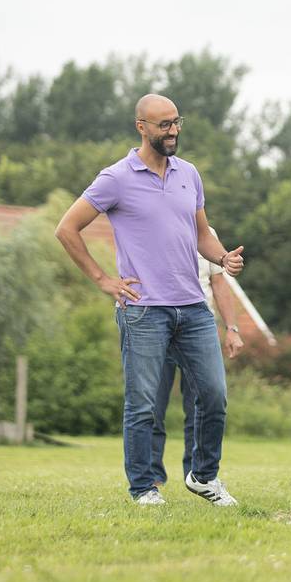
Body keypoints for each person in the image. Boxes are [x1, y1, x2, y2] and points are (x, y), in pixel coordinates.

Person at [54, 94, 244, 506]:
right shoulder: (116, 178)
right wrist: (103, 279)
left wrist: (221, 257)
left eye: (177, 123)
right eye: (164, 125)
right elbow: (67, 228)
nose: (173, 131)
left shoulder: (189, 174)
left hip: (192, 308)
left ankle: (203, 476)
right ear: (141, 126)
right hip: (143, 311)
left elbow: (201, 234)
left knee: (213, 396)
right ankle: (143, 488)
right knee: (142, 406)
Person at [150, 227, 245, 491]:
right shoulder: (153, 224)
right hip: (160, 324)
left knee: (202, 404)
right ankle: (152, 474)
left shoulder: (207, 233)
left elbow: (219, 284)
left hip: (197, 329)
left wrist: (232, 329)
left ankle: (197, 475)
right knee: (152, 405)